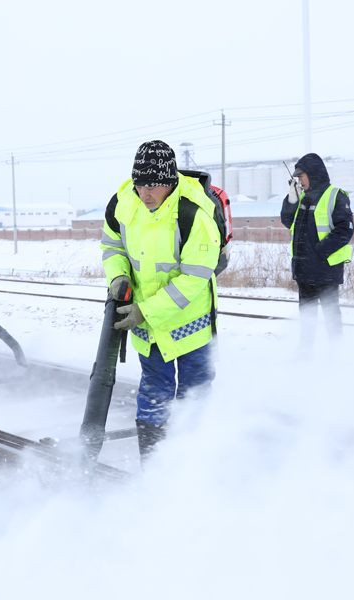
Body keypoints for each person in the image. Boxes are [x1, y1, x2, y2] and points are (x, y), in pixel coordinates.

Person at [100, 140, 220, 464]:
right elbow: (112, 248)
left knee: (194, 396)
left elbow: (194, 278)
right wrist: (118, 276)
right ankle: (153, 469)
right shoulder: (123, 204)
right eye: (140, 183)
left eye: (153, 185)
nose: (145, 192)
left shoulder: (194, 213)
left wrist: (146, 311)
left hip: (190, 327)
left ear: (170, 181)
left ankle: (192, 466)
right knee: (154, 396)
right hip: (149, 328)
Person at [280, 153, 354, 349]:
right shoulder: (302, 198)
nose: (299, 181)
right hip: (304, 270)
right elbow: (287, 221)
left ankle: (336, 355)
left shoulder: (336, 196)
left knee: (331, 316)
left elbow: (345, 230)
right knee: (307, 317)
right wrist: (291, 200)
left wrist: (319, 253)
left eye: (301, 177)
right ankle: (305, 355)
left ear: (312, 175)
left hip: (326, 269)